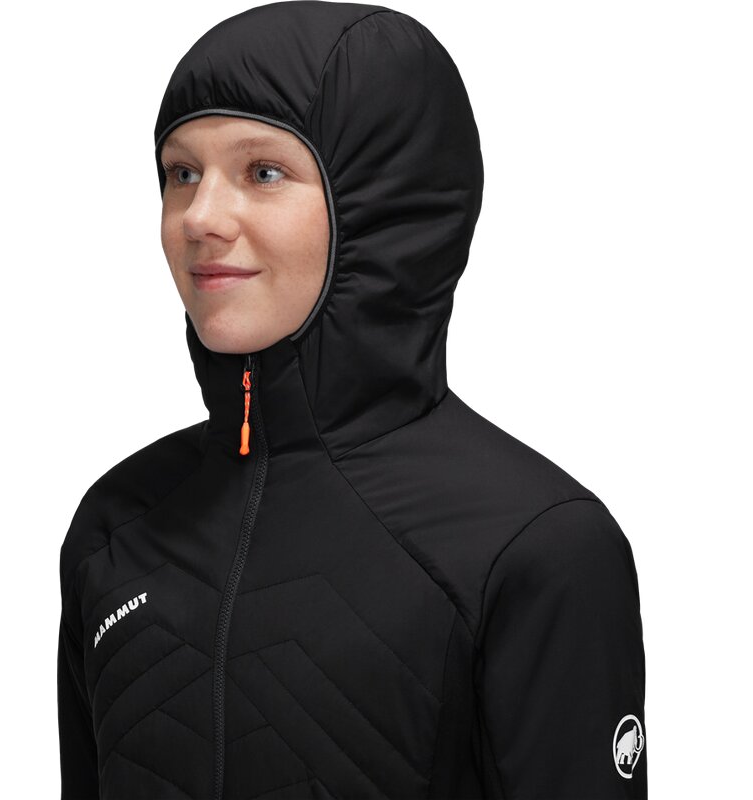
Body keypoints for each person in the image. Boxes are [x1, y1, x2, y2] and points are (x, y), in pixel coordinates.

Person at [57, 2, 647, 799]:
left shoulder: (534, 545)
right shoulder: (115, 527)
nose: (200, 218)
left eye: (263, 173)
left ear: (381, 207)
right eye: (182, 173)